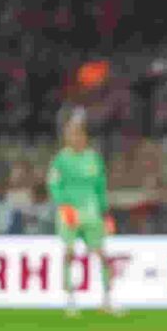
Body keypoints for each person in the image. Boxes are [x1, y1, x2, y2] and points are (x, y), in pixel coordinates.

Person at [47, 116, 117, 316]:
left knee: (102, 254)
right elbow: (54, 184)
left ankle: (107, 300)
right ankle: (70, 300)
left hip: (92, 212)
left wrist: (105, 212)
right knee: (69, 252)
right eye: (70, 135)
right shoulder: (61, 159)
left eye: (78, 134)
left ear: (84, 136)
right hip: (70, 212)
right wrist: (63, 205)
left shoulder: (93, 158)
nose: (74, 138)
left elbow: (100, 186)